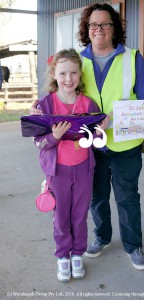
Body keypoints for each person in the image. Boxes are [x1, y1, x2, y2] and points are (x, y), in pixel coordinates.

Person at [31, 3, 144, 271]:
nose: (99, 29)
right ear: (87, 29)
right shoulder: (79, 60)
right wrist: (40, 110)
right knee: (95, 197)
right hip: (88, 146)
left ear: (114, 27)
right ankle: (102, 237)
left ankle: (133, 245)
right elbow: (60, 89)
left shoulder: (132, 58)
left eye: (105, 24)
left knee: (127, 196)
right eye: (93, 24)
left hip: (125, 144)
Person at [33, 48, 109, 282]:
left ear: (80, 74)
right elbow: (39, 142)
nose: (69, 79)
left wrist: (100, 131)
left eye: (74, 73)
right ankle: (62, 256)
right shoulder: (45, 105)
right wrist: (54, 137)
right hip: (58, 172)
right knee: (61, 216)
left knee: (79, 214)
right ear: (54, 74)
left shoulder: (89, 104)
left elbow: (95, 143)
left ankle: (78, 254)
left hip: (84, 170)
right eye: (63, 73)